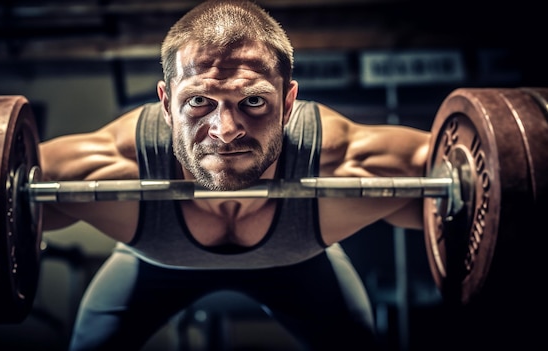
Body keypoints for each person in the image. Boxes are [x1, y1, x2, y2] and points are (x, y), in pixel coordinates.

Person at [40, 1, 430, 350]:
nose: (225, 129)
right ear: (165, 103)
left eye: (254, 101)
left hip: (301, 262)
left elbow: (449, 167)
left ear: (289, 103)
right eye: (198, 101)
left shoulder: (339, 159)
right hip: (155, 262)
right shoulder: (117, 162)